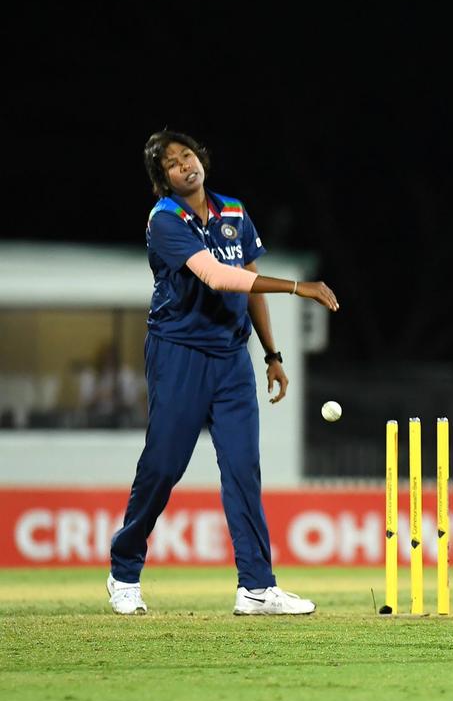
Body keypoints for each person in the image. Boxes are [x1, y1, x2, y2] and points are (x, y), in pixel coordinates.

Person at [106, 130, 339, 616]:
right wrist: (299, 287)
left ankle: (256, 586)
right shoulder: (165, 220)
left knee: (241, 469)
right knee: (164, 466)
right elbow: (217, 276)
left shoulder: (233, 211)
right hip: (179, 353)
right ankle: (124, 570)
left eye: (187, 155)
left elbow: (249, 284)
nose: (184, 165)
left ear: (201, 158)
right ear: (162, 181)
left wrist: (273, 355)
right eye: (171, 164)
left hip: (232, 358)